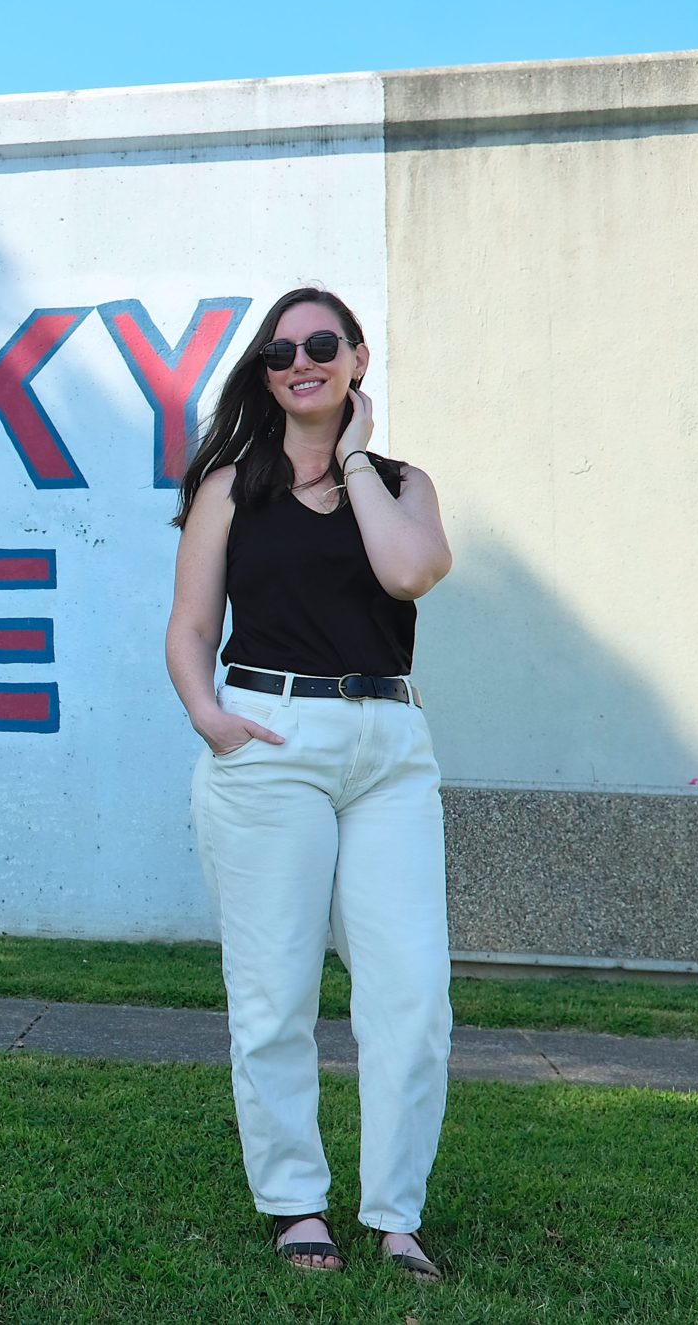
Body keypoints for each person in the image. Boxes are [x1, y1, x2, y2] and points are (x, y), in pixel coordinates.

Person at [165, 286, 454, 1281]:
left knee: (410, 992)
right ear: (263, 368)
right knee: (273, 991)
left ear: (355, 359)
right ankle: (295, 1205)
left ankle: (395, 1213)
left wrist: (355, 460)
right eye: (281, 348)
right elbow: (190, 627)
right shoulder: (228, 484)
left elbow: (410, 573)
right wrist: (210, 719)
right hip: (269, 738)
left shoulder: (401, 482)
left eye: (321, 343)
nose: (301, 359)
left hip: (387, 748)